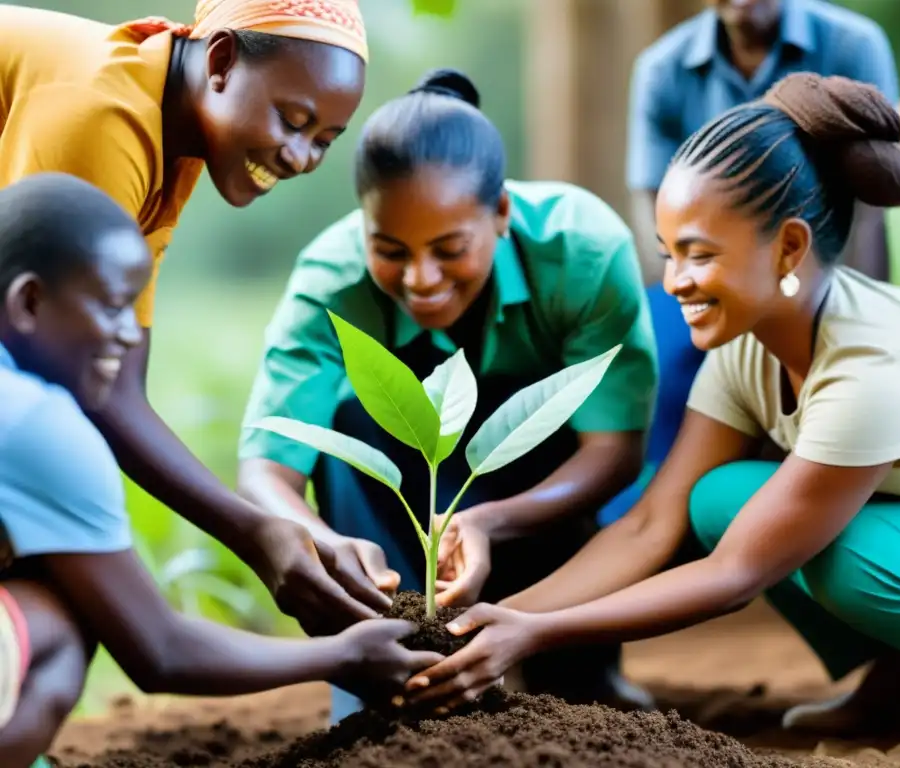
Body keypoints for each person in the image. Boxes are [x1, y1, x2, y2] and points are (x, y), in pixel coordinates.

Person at [408, 73, 900, 768]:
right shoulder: (753, 344)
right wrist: (495, 619)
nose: (674, 282)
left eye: (700, 255)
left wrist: (536, 634)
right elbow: (652, 522)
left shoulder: (872, 374)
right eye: (670, 253)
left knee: (844, 557)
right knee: (720, 499)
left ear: (789, 249)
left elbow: (736, 575)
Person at [237, 68, 659, 723]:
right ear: (363, 224)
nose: (421, 278)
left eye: (449, 249)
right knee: (349, 421)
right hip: (391, 497)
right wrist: (326, 544)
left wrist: (491, 519)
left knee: (576, 708)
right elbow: (267, 471)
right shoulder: (331, 279)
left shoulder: (582, 250)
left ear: (500, 214)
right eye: (390, 250)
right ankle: (384, 669)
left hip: (533, 495)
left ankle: (579, 671)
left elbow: (613, 450)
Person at [0, 173, 443, 768]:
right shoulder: (39, 422)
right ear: (28, 302)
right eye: (112, 307)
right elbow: (159, 650)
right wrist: (344, 656)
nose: (132, 334)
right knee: (67, 618)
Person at [0, 0, 392, 635]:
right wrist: (256, 531)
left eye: (325, 140)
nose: (300, 157)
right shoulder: (107, 117)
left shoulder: (173, 135)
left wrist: (278, 530)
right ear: (220, 61)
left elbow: (115, 381)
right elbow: (67, 376)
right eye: (292, 120)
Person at [605, 0, 900, 526]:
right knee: (654, 354)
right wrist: (697, 290)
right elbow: (653, 211)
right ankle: (643, 511)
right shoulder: (663, 67)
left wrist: (853, 307)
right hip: (707, 272)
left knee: (832, 367)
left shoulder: (852, 45)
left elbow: (872, 210)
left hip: (816, 273)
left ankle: (814, 503)